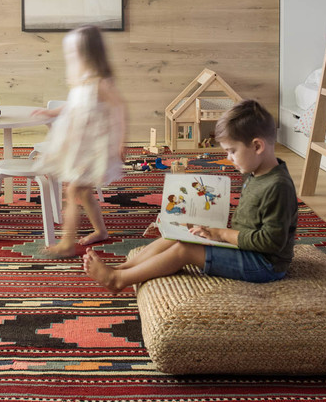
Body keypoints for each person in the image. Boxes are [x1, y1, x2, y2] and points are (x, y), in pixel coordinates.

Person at [83, 99, 296, 293]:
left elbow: (270, 242)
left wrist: (221, 234)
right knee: (177, 234)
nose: (229, 158)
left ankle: (119, 280)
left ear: (257, 146)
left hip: (264, 265)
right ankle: (123, 268)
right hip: (244, 246)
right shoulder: (257, 172)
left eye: (232, 151)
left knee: (185, 249)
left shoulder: (278, 186)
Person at [32, 25, 126, 258]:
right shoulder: (82, 82)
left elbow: (119, 109)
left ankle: (66, 243)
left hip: (95, 149)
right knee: (82, 192)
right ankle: (100, 230)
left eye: (76, 54)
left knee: (74, 189)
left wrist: (121, 142)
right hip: (80, 146)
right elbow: (73, 105)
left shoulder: (101, 83)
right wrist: (52, 113)